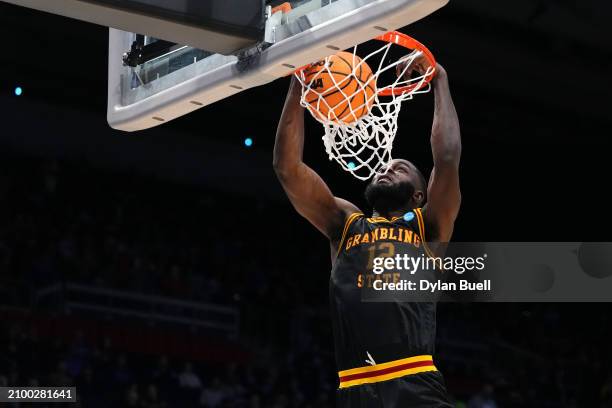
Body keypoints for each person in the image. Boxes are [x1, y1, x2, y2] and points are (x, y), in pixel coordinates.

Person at [273, 57, 461, 407]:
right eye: (383, 167)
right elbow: (287, 168)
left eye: (399, 168)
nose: (385, 170)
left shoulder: (428, 227)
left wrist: (439, 79)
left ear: (419, 195)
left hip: (413, 382)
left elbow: (447, 158)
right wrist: (300, 83)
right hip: (355, 387)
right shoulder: (345, 222)